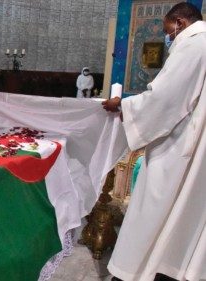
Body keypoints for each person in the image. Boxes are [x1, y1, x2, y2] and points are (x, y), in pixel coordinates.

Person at [102, 3, 205, 281]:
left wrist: (124, 106)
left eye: (166, 30)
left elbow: (166, 98)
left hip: (182, 144)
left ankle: (138, 270)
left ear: (180, 23)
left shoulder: (194, 44)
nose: (167, 37)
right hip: (198, 146)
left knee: (153, 210)